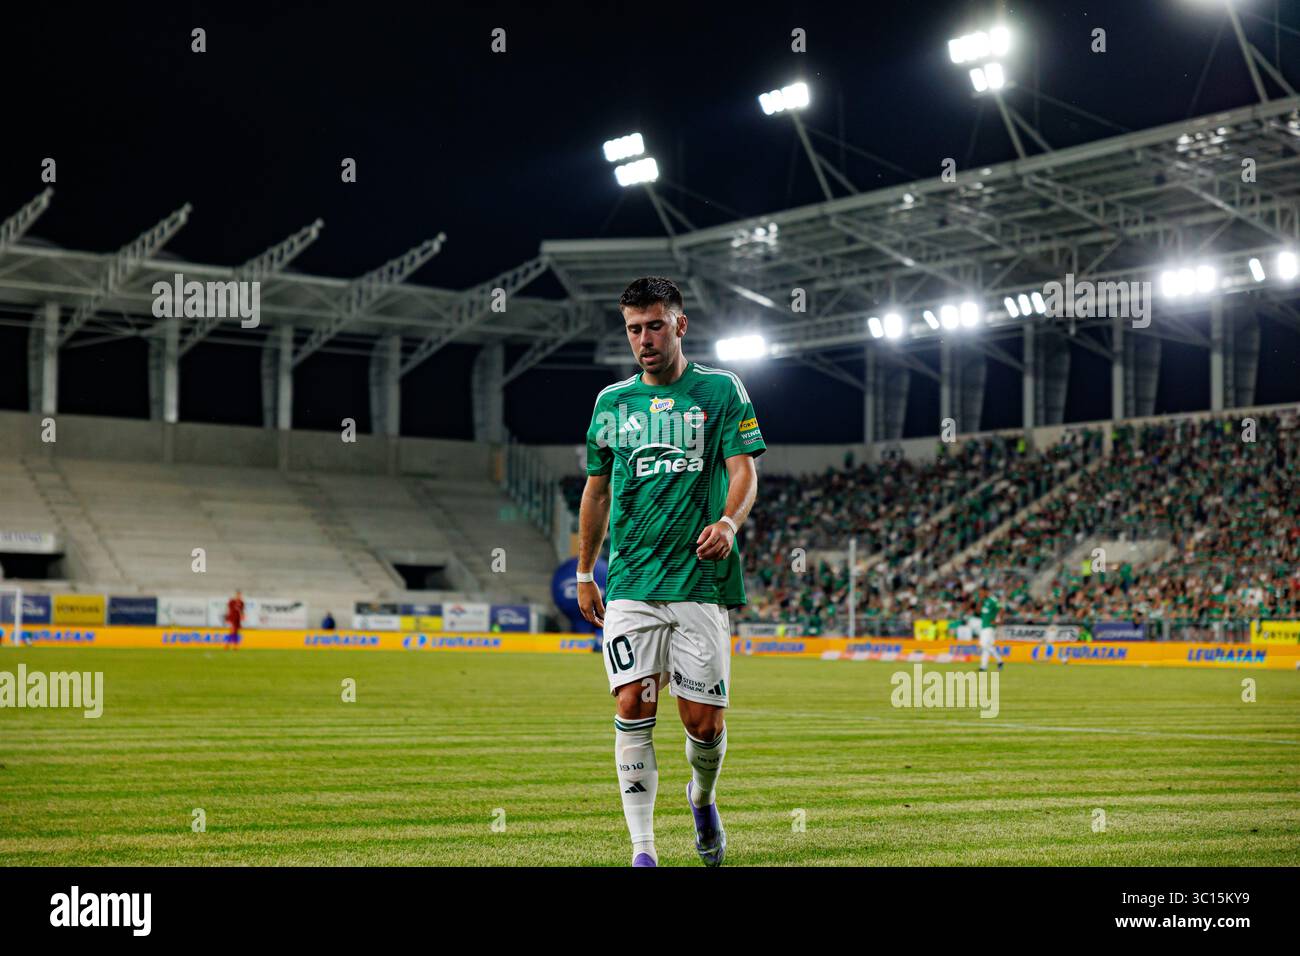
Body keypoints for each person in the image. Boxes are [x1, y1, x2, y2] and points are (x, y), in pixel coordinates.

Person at [578, 276, 765, 868]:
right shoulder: (612, 403)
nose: (643, 339)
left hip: (699, 582)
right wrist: (586, 570)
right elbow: (596, 491)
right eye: (633, 329)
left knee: (703, 724)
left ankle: (702, 798)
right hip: (632, 583)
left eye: (654, 325)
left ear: (680, 324)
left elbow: (744, 472)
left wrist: (730, 524)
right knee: (632, 704)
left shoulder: (720, 391)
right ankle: (643, 851)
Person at [979, 590, 1003, 671]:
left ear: (986, 592)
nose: (980, 594)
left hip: (989, 626)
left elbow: (1001, 609)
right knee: (986, 647)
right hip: (984, 626)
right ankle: (983, 666)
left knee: (983, 644)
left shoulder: (993, 600)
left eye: (981, 592)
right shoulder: (985, 601)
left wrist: (998, 620)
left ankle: (1000, 660)